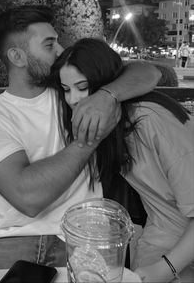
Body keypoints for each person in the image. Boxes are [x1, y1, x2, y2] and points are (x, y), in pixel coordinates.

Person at [0, 5, 161, 271]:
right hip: (11, 239)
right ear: (17, 57)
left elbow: (149, 72)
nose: (60, 51)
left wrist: (107, 95)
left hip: (86, 237)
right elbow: (28, 197)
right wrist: (89, 139)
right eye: (49, 45)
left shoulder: (73, 92)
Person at [50, 37, 194, 283]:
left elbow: (148, 70)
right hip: (161, 232)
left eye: (82, 86)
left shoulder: (150, 121)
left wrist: (165, 268)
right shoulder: (113, 130)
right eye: (66, 90)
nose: (73, 99)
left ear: (108, 84)